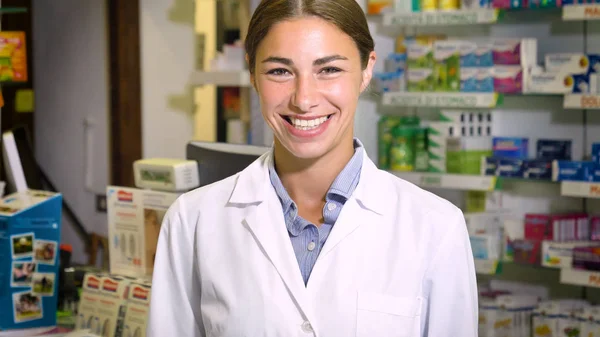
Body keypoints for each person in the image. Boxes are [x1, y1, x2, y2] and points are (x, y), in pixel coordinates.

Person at [147, 0, 478, 336]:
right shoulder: (193, 221)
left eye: (329, 69)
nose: (303, 99)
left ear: (366, 69)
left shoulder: (436, 228)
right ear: (253, 74)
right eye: (280, 71)